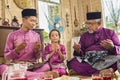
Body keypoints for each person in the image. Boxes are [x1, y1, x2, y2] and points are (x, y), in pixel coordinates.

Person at [4, 8, 58, 79]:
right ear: (23, 20)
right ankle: (41, 75)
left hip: (33, 67)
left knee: (47, 66)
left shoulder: (36, 36)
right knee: (3, 68)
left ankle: (27, 75)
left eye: (35, 21)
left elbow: (38, 57)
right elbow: (6, 56)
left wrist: (36, 50)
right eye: (32, 20)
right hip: (18, 67)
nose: (34, 23)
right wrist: (16, 50)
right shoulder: (12, 35)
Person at [67, 12, 120, 76]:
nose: (88, 26)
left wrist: (113, 47)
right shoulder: (84, 36)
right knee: (72, 62)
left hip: (105, 60)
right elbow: (81, 54)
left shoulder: (110, 32)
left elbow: (119, 48)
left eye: (91, 24)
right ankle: (103, 72)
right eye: (87, 23)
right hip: (88, 61)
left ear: (99, 23)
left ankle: (83, 72)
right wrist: (78, 50)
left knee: (117, 60)